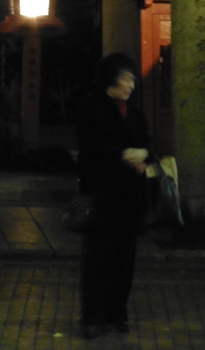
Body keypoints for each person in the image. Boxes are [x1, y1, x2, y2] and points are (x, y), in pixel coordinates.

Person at [75, 52, 153, 340]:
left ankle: (116, 313)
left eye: (132, 79)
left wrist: (144, 153)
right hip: (104, 195)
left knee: (125, 257)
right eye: (126, 78)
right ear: (112, 78)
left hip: (131, 197)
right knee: (99, 258)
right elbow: (90, 146)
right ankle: (92, 317)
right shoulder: (91, 107)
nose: (131, 85)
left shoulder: (132, 111)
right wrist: (123, 155)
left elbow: (147, 140)